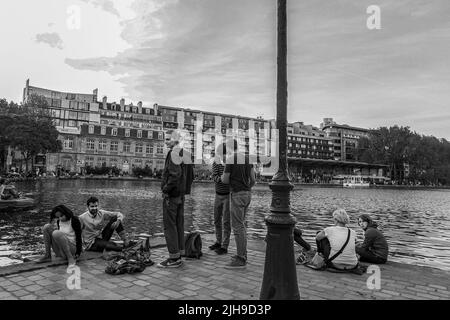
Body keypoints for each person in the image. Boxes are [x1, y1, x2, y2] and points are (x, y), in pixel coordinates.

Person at [158, 130, 194, 268]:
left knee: (169, 225)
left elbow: (175, 175)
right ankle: (179, 253)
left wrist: (165, 190)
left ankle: (174, 257)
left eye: (168, 139)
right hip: (180, 195)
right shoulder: (185, 153)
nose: (165, 141)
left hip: (172, 196)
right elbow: (191, 175)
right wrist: (184, 191)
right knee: (178, 223)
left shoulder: (173, 153)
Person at [221, 139, 256, 268]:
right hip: (247, 194)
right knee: (242, 225)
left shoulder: (230, 159)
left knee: (237, 227)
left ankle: (241, 258)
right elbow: (253, 179)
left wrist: (220, 177)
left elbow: (225, 180)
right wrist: (248, 188)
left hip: (237, 194)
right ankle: (243, 254)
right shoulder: (247, 158)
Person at [209, 143, 231, 255]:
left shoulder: (230, 163)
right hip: (218, 195)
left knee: (226, 221)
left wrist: (224, 179)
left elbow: (231, 178)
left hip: (228, 196)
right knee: (217, 219)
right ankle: (218, 241)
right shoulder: (216, 162)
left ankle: (224, 246)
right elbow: (214, 176)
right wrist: (223, 179)